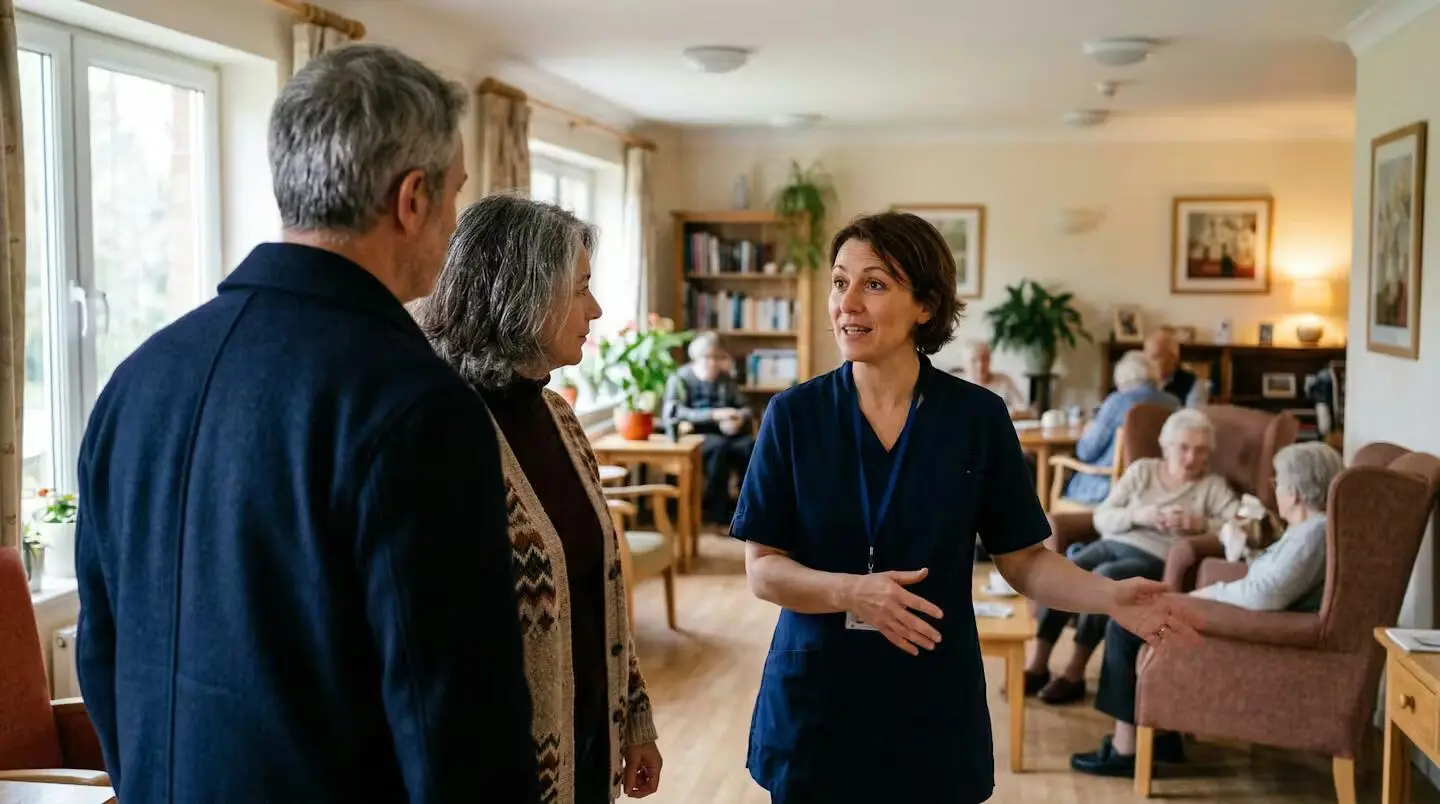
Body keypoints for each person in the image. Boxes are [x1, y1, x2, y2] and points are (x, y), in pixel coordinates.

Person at [73, 45, 537, 803]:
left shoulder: (137, 378)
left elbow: (104, 657)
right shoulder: (417, 406)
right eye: (454, 195)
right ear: (411, 198)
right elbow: (455, 724)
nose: (455, 223)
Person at [731, 210, 1201, 803]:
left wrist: (1109, 597)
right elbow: (762, 567)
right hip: (820, 697)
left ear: (925, 305)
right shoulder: (792, 417)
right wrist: (852, 592)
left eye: (874, 284)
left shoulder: (976, 418)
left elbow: (1023, 559)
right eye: (839, 280)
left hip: (931, 697)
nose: (846, 302)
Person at [418, 195, 662, 803]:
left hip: (588, 754)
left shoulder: (559, 416)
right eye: (580, 288)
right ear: (521, 294)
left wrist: (633, 719)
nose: (597, 308)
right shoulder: (439, 433)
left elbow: (597, 585)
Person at [1071, 441, 1345, 777]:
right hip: (1241, 618)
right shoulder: (1307, 531)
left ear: (1296, 492)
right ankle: (1163, 735)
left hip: (1243, 630)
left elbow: (1264, 596)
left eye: (1278, 483)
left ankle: (1125, 749)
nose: (1276, 491)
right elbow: (1271, 581)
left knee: (1126, 625)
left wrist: (1201, 596)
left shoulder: (1311, 536)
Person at [1026, 409, 1239, 704]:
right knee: (1068, 571)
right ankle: (1037, 664)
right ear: (1166, 446)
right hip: (1115, 540)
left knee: (1105, 578)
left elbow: (1238, 525)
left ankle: (1073, 672)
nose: (1191, 458)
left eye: (1201, 450)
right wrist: (1142, 514)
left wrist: (1201, 524)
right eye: (1184, 448)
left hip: (1156, 558)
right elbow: (1103, 516)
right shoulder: (1143, 471)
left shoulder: (1212, 487)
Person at [1059, 351, 1179, 506]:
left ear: (1122, 380)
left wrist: (1088, 431)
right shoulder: (1173, 403)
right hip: (1156, 487)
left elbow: (1085, 452)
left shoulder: (1117, 402)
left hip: (1110, 487)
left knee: (1063, 478)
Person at [662, 331, 755, 522]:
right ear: (696, 356)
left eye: (717, 357)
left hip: (726, 432)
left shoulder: (725, 379)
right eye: (708, 357)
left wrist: (739, 418)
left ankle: (745, 508)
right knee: (718, 448)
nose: (712, 362)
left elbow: (746, 407)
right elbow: (675, 411)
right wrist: (713, 414)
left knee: (749, 446)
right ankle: (718, 511)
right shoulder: (681, 378)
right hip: (694, 433)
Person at [963, 339, 1030, 415]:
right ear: (965, 363)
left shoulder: (1004, 381)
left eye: (985, 359)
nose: (980, 365)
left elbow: (1025, 410)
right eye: (974, 360)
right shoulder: (960, 387)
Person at [1145, 327, 1207, 408]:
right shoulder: (1137, 380)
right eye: (1148, 357)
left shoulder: (1192, 383)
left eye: (1156, 357)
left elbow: (1193, 416)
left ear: (1174, 358)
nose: (1150, 362)